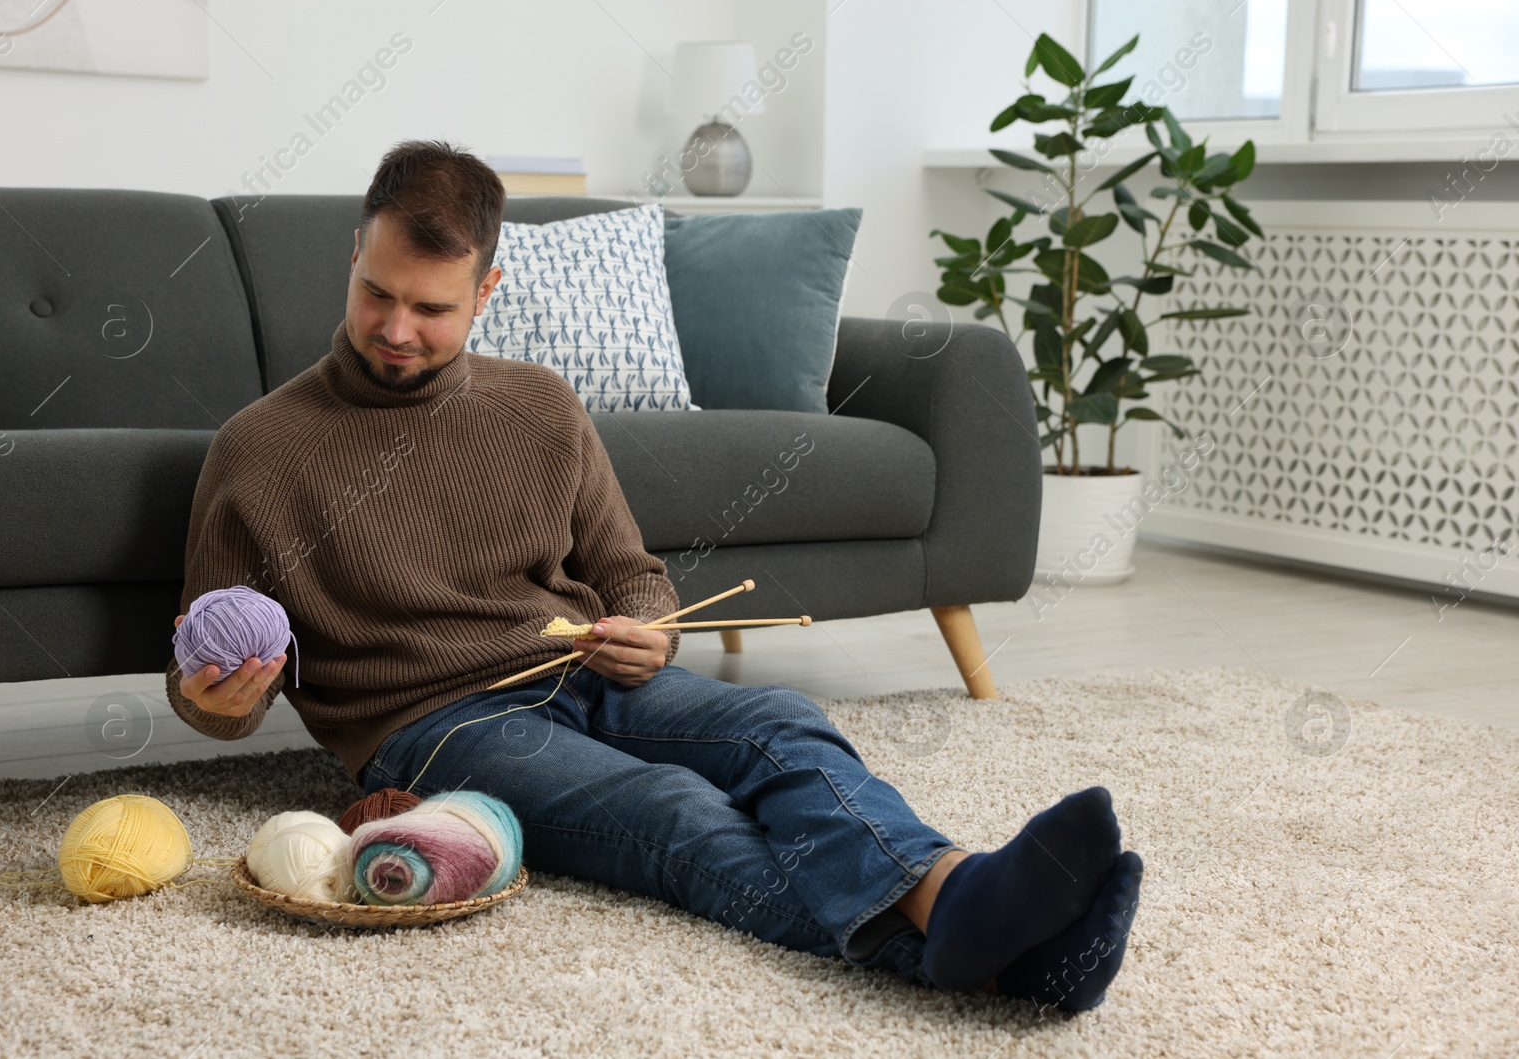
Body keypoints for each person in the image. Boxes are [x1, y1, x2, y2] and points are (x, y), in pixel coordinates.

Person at [166, 139, 1143, 1012]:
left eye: (432, 307)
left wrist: (651, 630)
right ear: (354, 260)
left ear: (487, 290)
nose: (398, 327)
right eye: (379, 293)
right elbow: (207, 682)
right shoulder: (260, 449)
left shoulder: (540, 407)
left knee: (782, 724)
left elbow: (631, 575)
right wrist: (219, 700)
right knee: (675, 814)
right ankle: (997, 960)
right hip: (439, 726)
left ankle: (953, 891)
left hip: (594, 672)